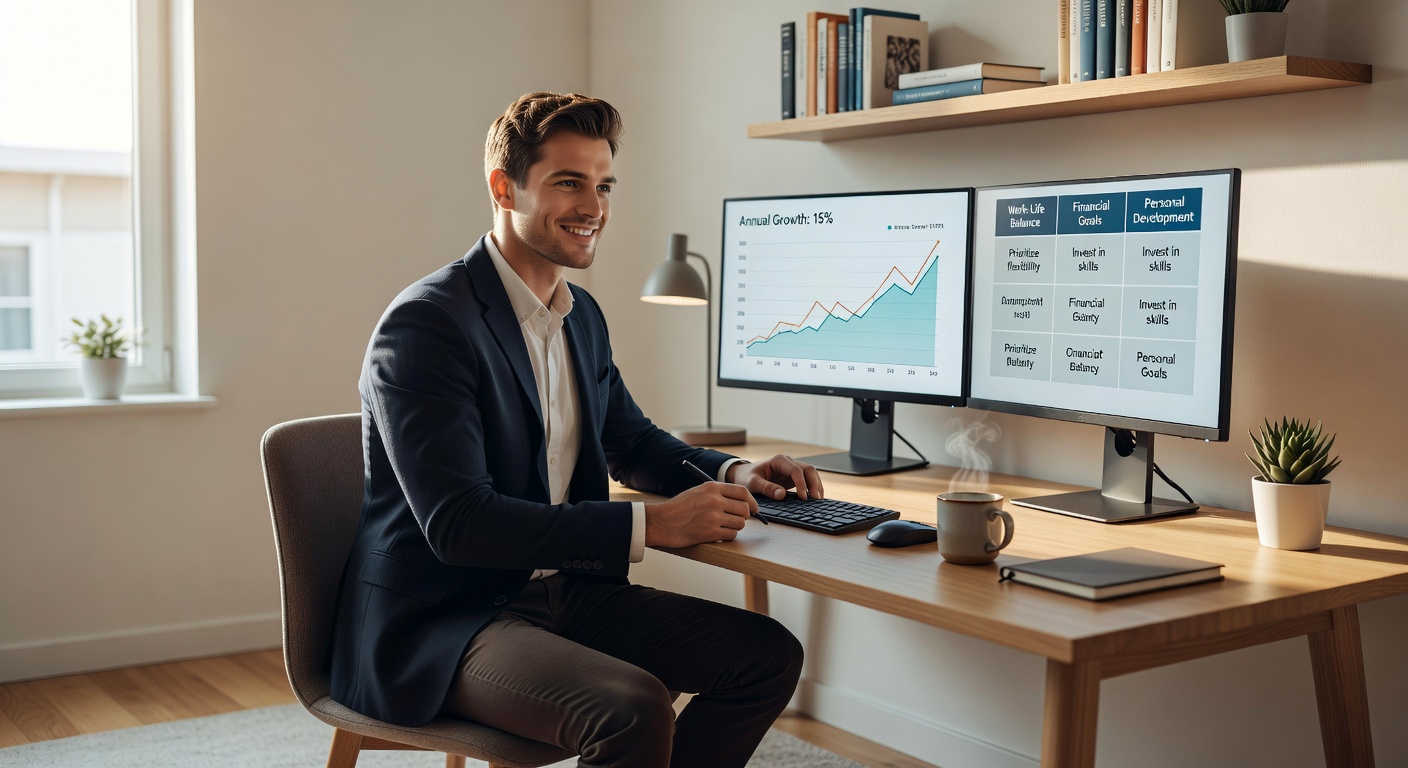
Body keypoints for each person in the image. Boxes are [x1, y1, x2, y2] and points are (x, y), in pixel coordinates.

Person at [329, 91, 825, 768]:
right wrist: (652, 526)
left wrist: (735, 471)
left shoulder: (579, 315)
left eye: (604, 185)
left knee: (765, 655)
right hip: (447, 618)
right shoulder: (428, 325)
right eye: (568, 182)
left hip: (565, 591)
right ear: (504, 188)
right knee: (631, 708)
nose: (594, 207)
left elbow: (634, 443)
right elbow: (459, 525)